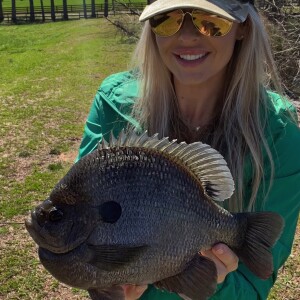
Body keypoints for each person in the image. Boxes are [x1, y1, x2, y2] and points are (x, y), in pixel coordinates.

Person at [76, 0, 300, 299]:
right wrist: (109, 288)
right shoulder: (112, 102)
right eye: (167, 19)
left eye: (210, 20)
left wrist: (208, 285)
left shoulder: (279, 134)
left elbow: (253, 287)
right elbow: (81, 223)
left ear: (243, 27)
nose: (187, 36)